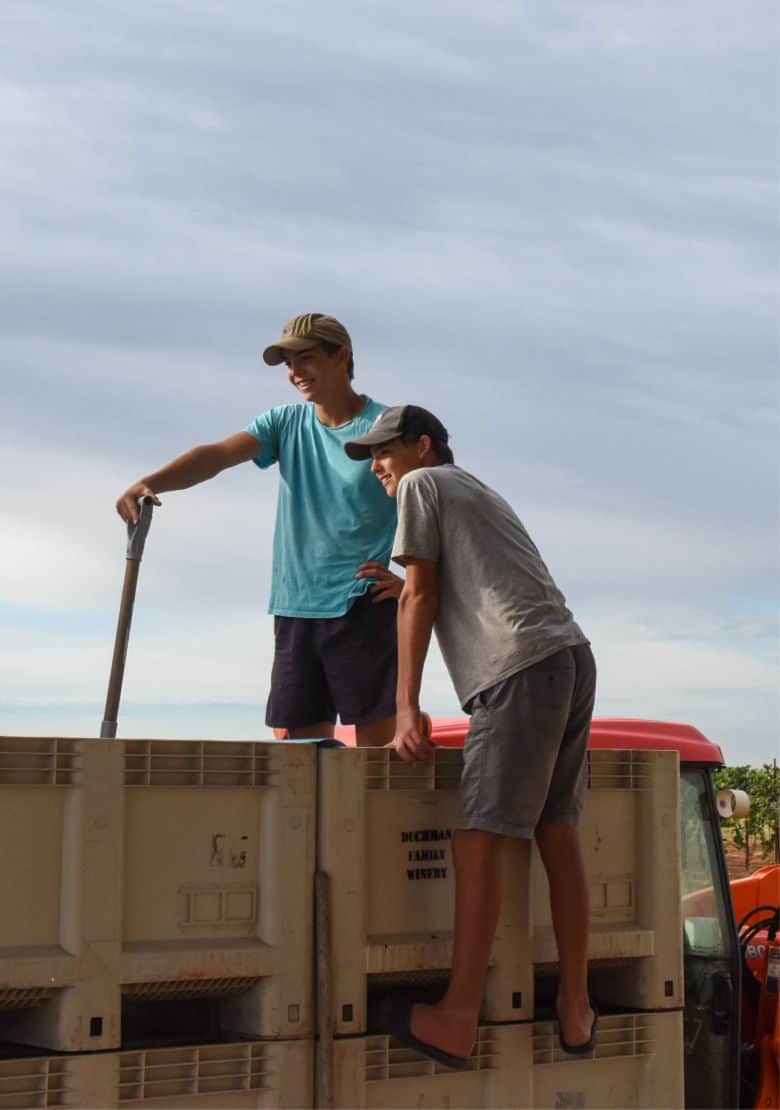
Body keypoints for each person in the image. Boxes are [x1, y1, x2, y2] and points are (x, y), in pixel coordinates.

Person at [345, 404, 598, 1065]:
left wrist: (406, 706)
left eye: (385, 453)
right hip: (568, 657)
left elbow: (422, 596)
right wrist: (404, 585)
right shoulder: (478, 489)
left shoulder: (423, 485)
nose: (378, 467)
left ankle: (457, 1015)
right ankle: (577, 1007)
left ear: (423, 446)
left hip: (516, 671)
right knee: (557, 832)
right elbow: (476, 587)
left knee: (478, 835)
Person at [116, 313, 402, 744]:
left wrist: (412, 582)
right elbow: (214, 456)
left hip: (361, 603)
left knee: (377, 758)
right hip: (294, 605)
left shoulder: (388, 426)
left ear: (341, 356)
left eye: (304, 358)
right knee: (303, 756)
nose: (294, 372)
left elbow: (437, 502)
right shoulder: (285, 423)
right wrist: (151, 483)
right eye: (287, 363)